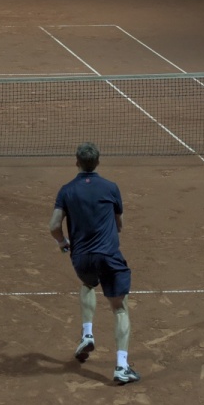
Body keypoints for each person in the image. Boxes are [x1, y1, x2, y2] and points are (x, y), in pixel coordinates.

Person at [48, 142, 139, 385]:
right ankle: (121, 366)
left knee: (87, 285)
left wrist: (63, 243)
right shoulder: (110, 188)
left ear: (77, 162)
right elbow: (119, 225)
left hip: (82, 258)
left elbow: (54, 226)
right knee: (120, 308)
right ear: (97, 163)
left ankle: (87, 333)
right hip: (109, 256)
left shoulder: (66, 190)